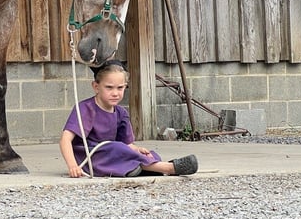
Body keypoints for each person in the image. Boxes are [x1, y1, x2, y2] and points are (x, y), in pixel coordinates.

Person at [60, 60, 198, 178]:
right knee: (115, 148)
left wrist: (136, 149)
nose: (115, 93)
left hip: (113, 153)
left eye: (120, 88)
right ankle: (169, 168)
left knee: (147, 154)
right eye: (109, 87)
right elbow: (65, 139)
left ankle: (145, 167)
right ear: (96, 87)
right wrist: (73, 165)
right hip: (91, 157)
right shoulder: (86, 108)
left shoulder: (121, 113)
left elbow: (127, 144)